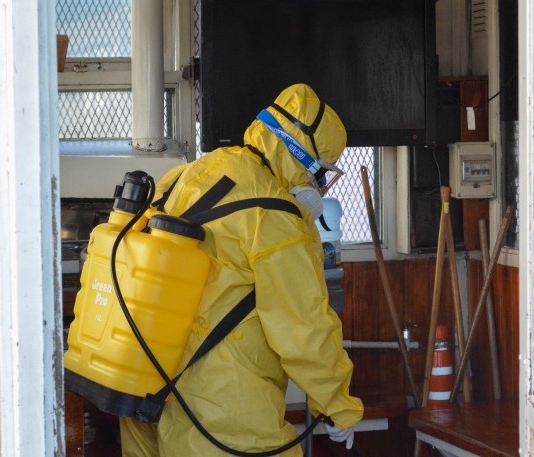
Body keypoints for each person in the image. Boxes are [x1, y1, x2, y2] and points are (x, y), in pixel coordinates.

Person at [120, 83, 364, 456]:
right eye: (321, 170)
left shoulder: (188, 174)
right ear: (301, 156)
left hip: (144, 391)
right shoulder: (275, 217)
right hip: (221, 409)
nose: (319, 184)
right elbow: (303, 327)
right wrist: (338, 406)